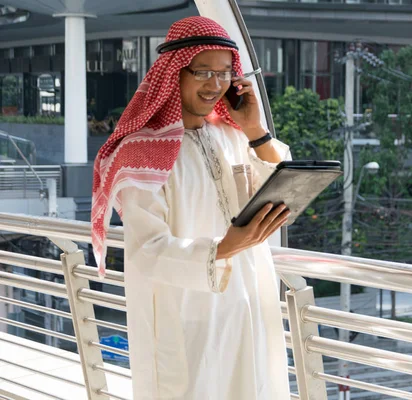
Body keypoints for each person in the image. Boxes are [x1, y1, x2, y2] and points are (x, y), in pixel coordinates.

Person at [91, 16, 291, 399]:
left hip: (249, 306)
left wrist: (255, 130)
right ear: (174, 73)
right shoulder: (140, 154)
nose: (215, 85)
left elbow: (277, 195)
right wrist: (224, 247)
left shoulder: (232, 136)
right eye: (203, 72)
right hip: (187, 316)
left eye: (224, 73)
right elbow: (146, 250)